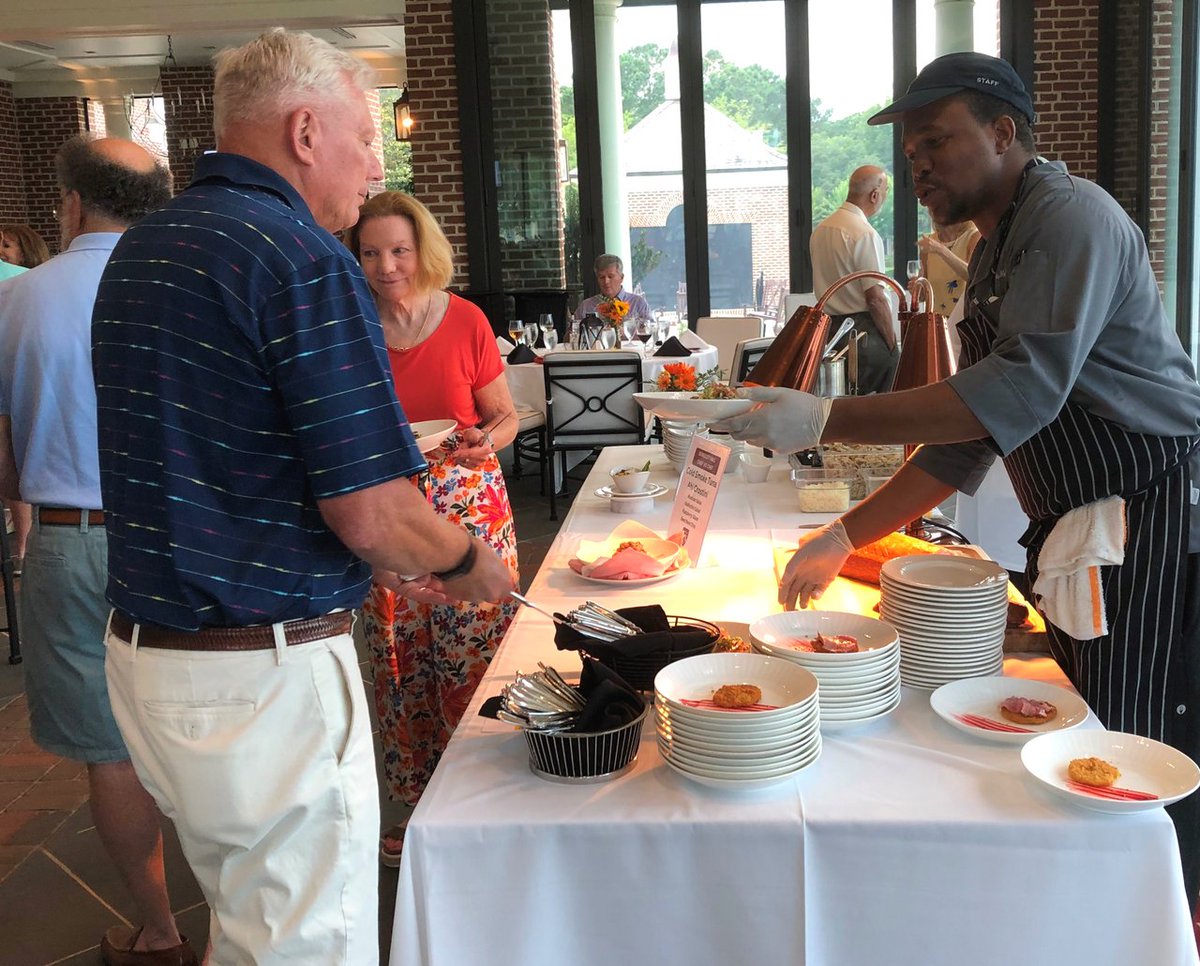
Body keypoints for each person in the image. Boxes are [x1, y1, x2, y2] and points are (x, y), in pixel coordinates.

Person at [715, 51, 1200, 905]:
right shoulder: (989, 252)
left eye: (937, 141)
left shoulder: (1071, 218)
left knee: (1130, 749)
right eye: (911, 155)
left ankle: (1150, 925)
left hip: (1150, 511)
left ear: (1004, 132)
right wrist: (843, 534)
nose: (920, 166)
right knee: (1084, 736)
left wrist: (828, 417)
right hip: (1087, 522)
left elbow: (1012, 393)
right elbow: (960, 447)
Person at [93, 29, 514, 966]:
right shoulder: (298, 256)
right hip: (257, 680)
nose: (377, 162)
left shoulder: (146, 245)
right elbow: (371, 509)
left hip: (149, 657)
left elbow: (224, 457)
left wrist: (379, 560)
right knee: (303, 945)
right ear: (304, 131)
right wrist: (466, 559)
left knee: (249, 923)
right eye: (366, 136)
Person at [0, 137, 193, 965]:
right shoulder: (189, 285)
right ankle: (242, 917)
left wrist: (20, 510)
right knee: (206, 721)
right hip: (184, 534)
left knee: (108, 749)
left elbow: (3, 448)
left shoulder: (18, 300)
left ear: (71, 204)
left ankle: (157, 928)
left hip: (70, 537)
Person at [344, 191, 520, 866]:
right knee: (397, 660)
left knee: (474, 651)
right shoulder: (350, 326)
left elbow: (503, 415)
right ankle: (414, 809)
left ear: (423, 251)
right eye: (370, 252)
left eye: (398, 250)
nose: (386, 266)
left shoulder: (466, 319)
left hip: (469, 500)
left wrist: (486, 440)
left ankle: (481, 799)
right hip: (386, 509)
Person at [810, 165, 898, 394]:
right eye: (886, 191)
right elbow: (875, 298)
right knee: (877, 412)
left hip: (829, 334)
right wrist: (892, 344)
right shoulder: (863, 233)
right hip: (863, 335)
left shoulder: (821, 230)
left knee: (838, 405)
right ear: (875, 195)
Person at [918, 219, 980, 315]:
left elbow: (973, 276)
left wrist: (941, 250)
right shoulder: (929, 243)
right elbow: (923, 296)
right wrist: (917, 290)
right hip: (937, 321)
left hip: (965, 319)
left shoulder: (974, 236)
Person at [572, 253, 651, 321]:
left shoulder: (637, 303)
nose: (606, 281)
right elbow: (570, 336)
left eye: (610, 276)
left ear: (622, 277)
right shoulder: (586, 306)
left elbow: (650, 331)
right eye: (602, 277)